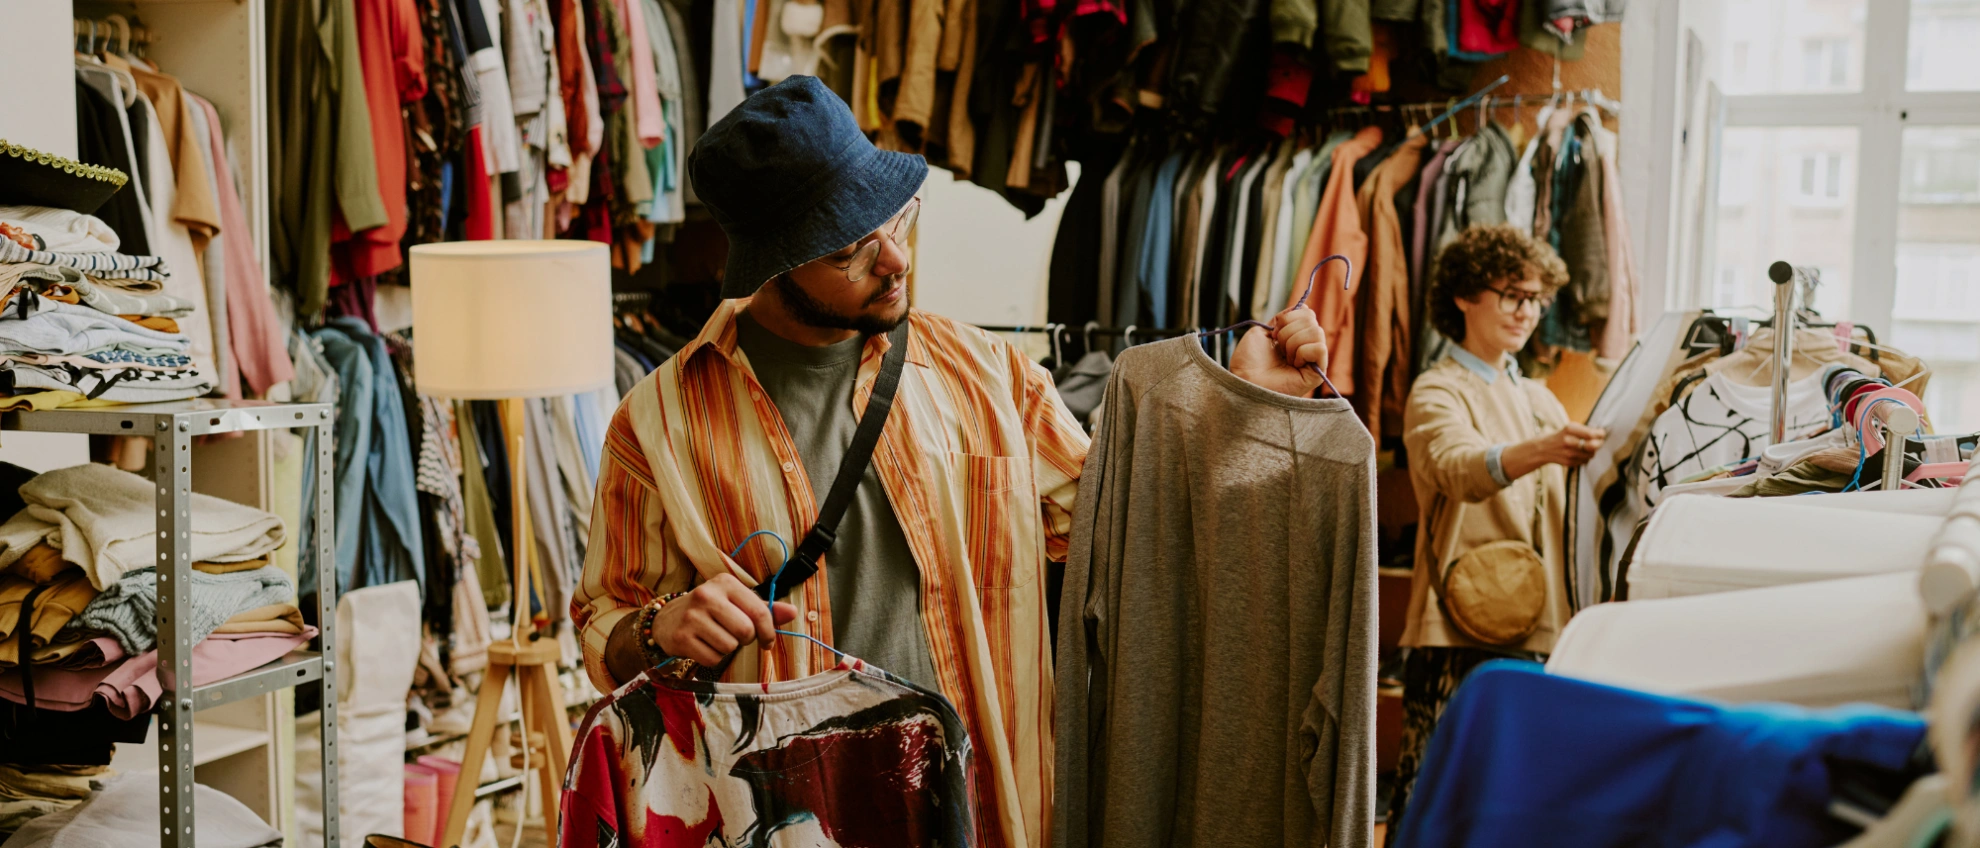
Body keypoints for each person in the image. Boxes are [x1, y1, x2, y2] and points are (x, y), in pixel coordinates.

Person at [571, 74, 1332, 848]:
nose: (895, 258)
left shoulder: (986, 375)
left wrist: (1251, 405)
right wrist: (661, 627)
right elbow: (603, 620)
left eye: (896, 219)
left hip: (982, 803)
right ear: (777, 260)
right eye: (851, 248)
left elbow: (1130, 533)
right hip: (792, 818)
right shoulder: (659, 421)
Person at [1387, 224, 1606, 836]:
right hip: (1460, 623)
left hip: (1541, 621)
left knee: (1511, 803)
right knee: (1436, 795)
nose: (1526, 312)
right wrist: (1543, 449)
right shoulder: (1438, 389)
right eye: (1511, 294)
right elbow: (1456, 467)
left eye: (1535, 299)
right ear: (1464, 295)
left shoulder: (1539, 398)